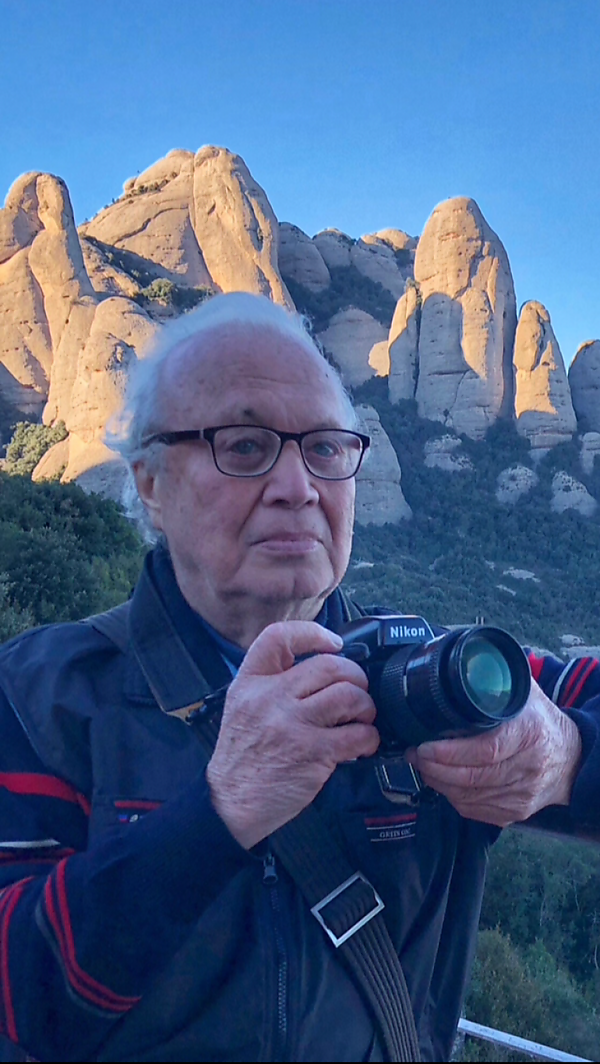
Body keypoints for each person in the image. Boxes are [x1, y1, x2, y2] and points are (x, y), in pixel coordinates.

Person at [0, 292, 598, 1064]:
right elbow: (16, 994)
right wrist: (216, 815)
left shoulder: (430, 678)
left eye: (325, 448)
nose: (297, 485)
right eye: (245, 446)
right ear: (150, 483)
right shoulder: (43, 695)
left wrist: (565, 753)